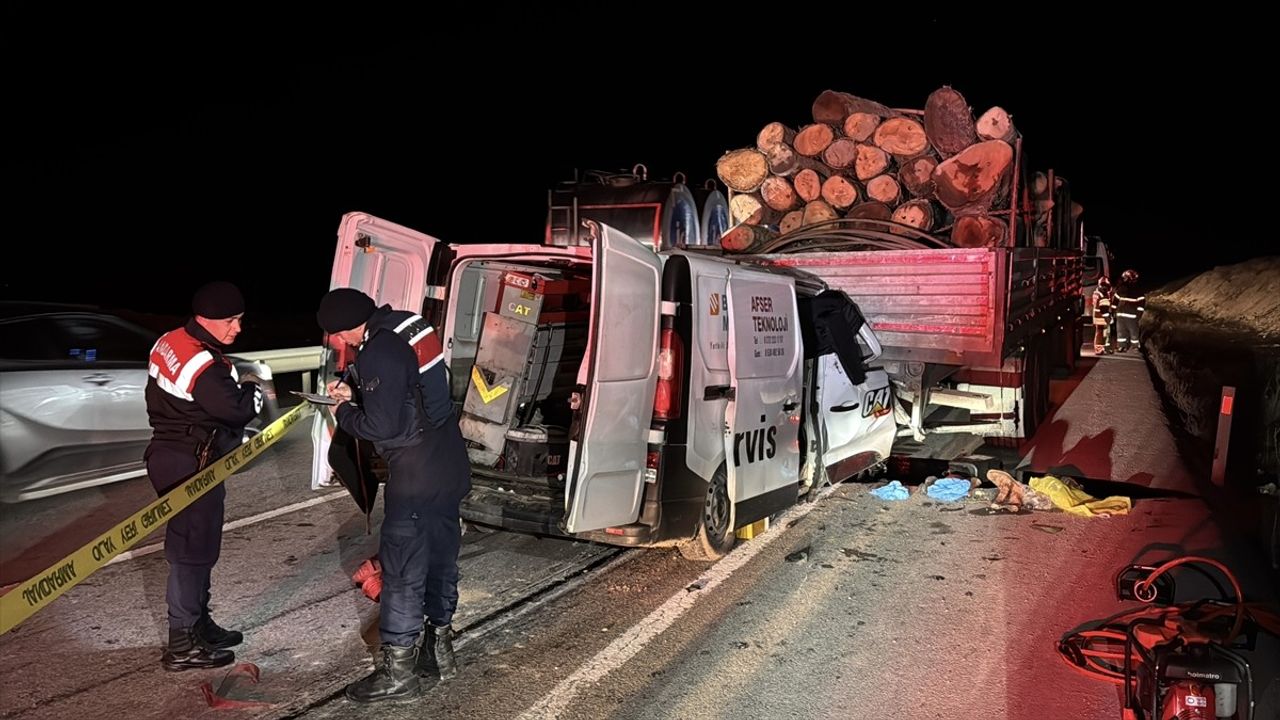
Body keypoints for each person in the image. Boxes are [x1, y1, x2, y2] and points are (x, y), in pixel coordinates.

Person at [316, 288, 471, 703]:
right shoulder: (409, 325)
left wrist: (344, 412)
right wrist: (359, 392)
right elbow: (412, 393)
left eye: (332, 335)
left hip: (417, 473)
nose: (335, 344)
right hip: (448, 460)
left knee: (402, 571)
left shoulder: (377, 351)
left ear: (342, 329)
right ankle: (439, 653)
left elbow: (384, 427)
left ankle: (399, 676)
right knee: (441, 559)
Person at [144, 281, 263, 671]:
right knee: (191, 553)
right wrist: (253, 390)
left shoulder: (171, 340)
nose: (237, 329)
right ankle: (182, 643)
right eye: (231, 321)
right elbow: (238, 411)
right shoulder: (204, 365)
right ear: (205, 320)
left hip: (172, 453)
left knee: (198, 544)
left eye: (240, 320)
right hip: (190, 460)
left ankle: (199, 625)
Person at [1113, 269, 1145, 353]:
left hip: (1122, 315)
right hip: (1130, 316)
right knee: (1131, 332)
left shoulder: (1121, 288)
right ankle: (1132, 347)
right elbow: (1141, 305)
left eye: (1125, 278)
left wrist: (1113, 312)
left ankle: (1124, 347)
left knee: (1122, 332)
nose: (1123, 279)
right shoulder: (1138, 290)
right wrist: (1138, 316)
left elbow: (1114, 302)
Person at [1091, 276, 1114, 355]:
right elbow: (1104, 305)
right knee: (1101, 332)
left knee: (1102, 332)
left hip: (1098, 315)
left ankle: (1102, 348)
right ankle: (1099, 348)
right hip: (1101, 316)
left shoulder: (1096, 292)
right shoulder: (1102, 293)